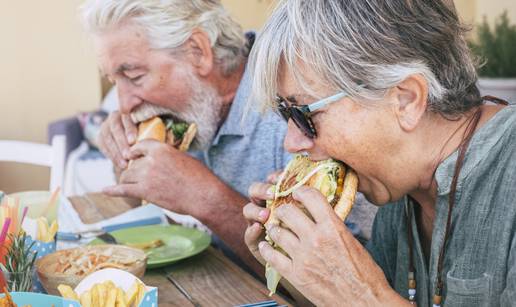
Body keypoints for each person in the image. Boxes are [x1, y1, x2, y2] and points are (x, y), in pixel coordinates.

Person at [243, 0, 516, 306]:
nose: (292, 143)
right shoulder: (398, 194)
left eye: (305, 115)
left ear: (406, 100)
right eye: (285, 114)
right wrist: (294, 265)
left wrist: (362, 296)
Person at [80, 0, 376, 277]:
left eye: (133, 76)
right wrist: (127, 163)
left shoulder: (299, 105)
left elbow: (347, 274)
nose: (123, 104)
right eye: (113, 81)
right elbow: (139, 206)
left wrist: (205, 198)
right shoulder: (192, 109)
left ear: (198, 52)